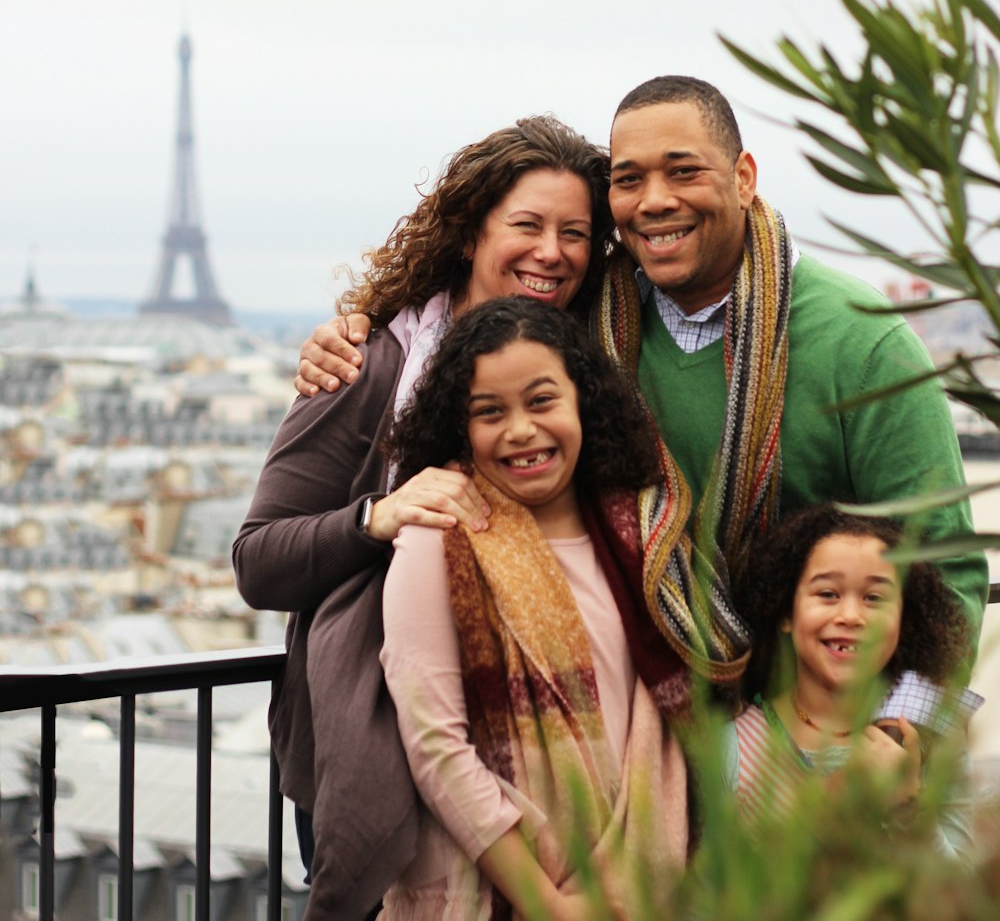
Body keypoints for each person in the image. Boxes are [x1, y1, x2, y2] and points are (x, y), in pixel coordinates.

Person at [296, 76, 987, 664]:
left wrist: (903, 734)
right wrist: (360, 325)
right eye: (629, 180)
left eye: (683, 170)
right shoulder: (587, 322)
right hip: (643, 727)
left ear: (743, 178)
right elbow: (480, 316)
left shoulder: (863, 341)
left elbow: (945, 572)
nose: (654, 200)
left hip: (816, 738)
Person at [232, 116, 617, 920]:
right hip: (385, 747)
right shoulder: (371, 363)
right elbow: (259, 560)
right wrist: (378, 515)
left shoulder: (590, 366)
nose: (552, 251)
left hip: (540, 757)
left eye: (576, 233)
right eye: (528, 225)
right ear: (471, 230)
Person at [379, 297, 690, 921]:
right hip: (497, 896)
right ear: (459, 428)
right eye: (489, 412)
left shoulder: (647, 534)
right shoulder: (440, 538)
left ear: (584, 401)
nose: (520, 430)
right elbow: (437, 746)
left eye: (542, 401)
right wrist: (547, 905)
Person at [727, 504, 978, 858]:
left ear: (903, 621)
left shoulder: (933, 739)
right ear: (786, 611)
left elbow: (965, 901)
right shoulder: (733, 746)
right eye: (827, 593)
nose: (850, 616)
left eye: (874, 598)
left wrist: (907, 811)